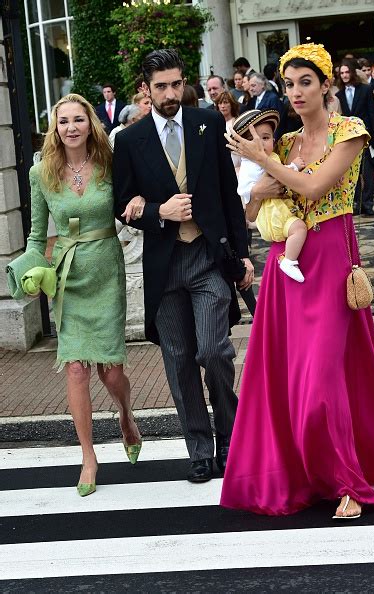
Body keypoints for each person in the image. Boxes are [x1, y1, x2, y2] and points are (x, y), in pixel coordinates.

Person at [221, 43, 374, 519]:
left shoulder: (350, 131)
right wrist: (255, 187)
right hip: (290, 265)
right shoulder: (283, 143)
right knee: (289, 377)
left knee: (324, 377)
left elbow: (311, 187)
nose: (296, 92)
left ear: (326, 84)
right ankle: (309, 473)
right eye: (289, 84)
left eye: (306, 82)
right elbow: (251, 213)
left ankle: (348, 480)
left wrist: (262, 164)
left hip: (332, 261)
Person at [112, 49, 253, 484]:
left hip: (208, 256)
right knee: (178, 359)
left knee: (213, 350)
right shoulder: (131, 141)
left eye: (176, 84)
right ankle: (199, 447)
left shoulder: (207, 125)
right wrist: (158, 211)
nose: (171, 93)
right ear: (146, 88)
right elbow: (122, 205)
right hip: (164, 264)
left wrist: (243, 251)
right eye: (161, 87)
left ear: (183, 81)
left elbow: (229, 194)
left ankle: (228, 438)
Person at [25, 94, 142, 496]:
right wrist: (28, 270)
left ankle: (126, 414)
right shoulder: (41, 172)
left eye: (78, 120)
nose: (71, 127)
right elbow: (37, 235)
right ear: (54, 129)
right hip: (67, 277)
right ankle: (88, 456)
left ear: (90, 123)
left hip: (106, 271)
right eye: (63, 122)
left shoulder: (111, 163)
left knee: (110, 370)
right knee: (76, 368)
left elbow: (130, 202)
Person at [235, 109, 307, 282]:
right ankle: (288, 261)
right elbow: (277, 175)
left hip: (278, 212)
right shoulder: (252, 164)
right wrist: (294, 167)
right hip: (273, 216)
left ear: (274, 140)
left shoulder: (274, 154)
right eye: (252, 140)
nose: (259, 145)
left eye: (265, 138)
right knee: (299, 228)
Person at [336, 59, 374, 215]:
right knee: (351, 172)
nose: (344, 75)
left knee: (367, 171)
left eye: (347, 72)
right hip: (348, 138)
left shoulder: (365, 89)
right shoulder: (338, 94)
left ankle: (368, 204)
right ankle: (356, 203)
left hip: (365, 135)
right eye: (342, 73)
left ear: (353, 72)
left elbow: (372, 112)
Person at [215, 90, 241, 171]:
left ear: (232, 105)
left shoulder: (238, 123)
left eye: (226, 102)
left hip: (236, 163)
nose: (222, 106)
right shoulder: (214, 123)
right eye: (220, 103)